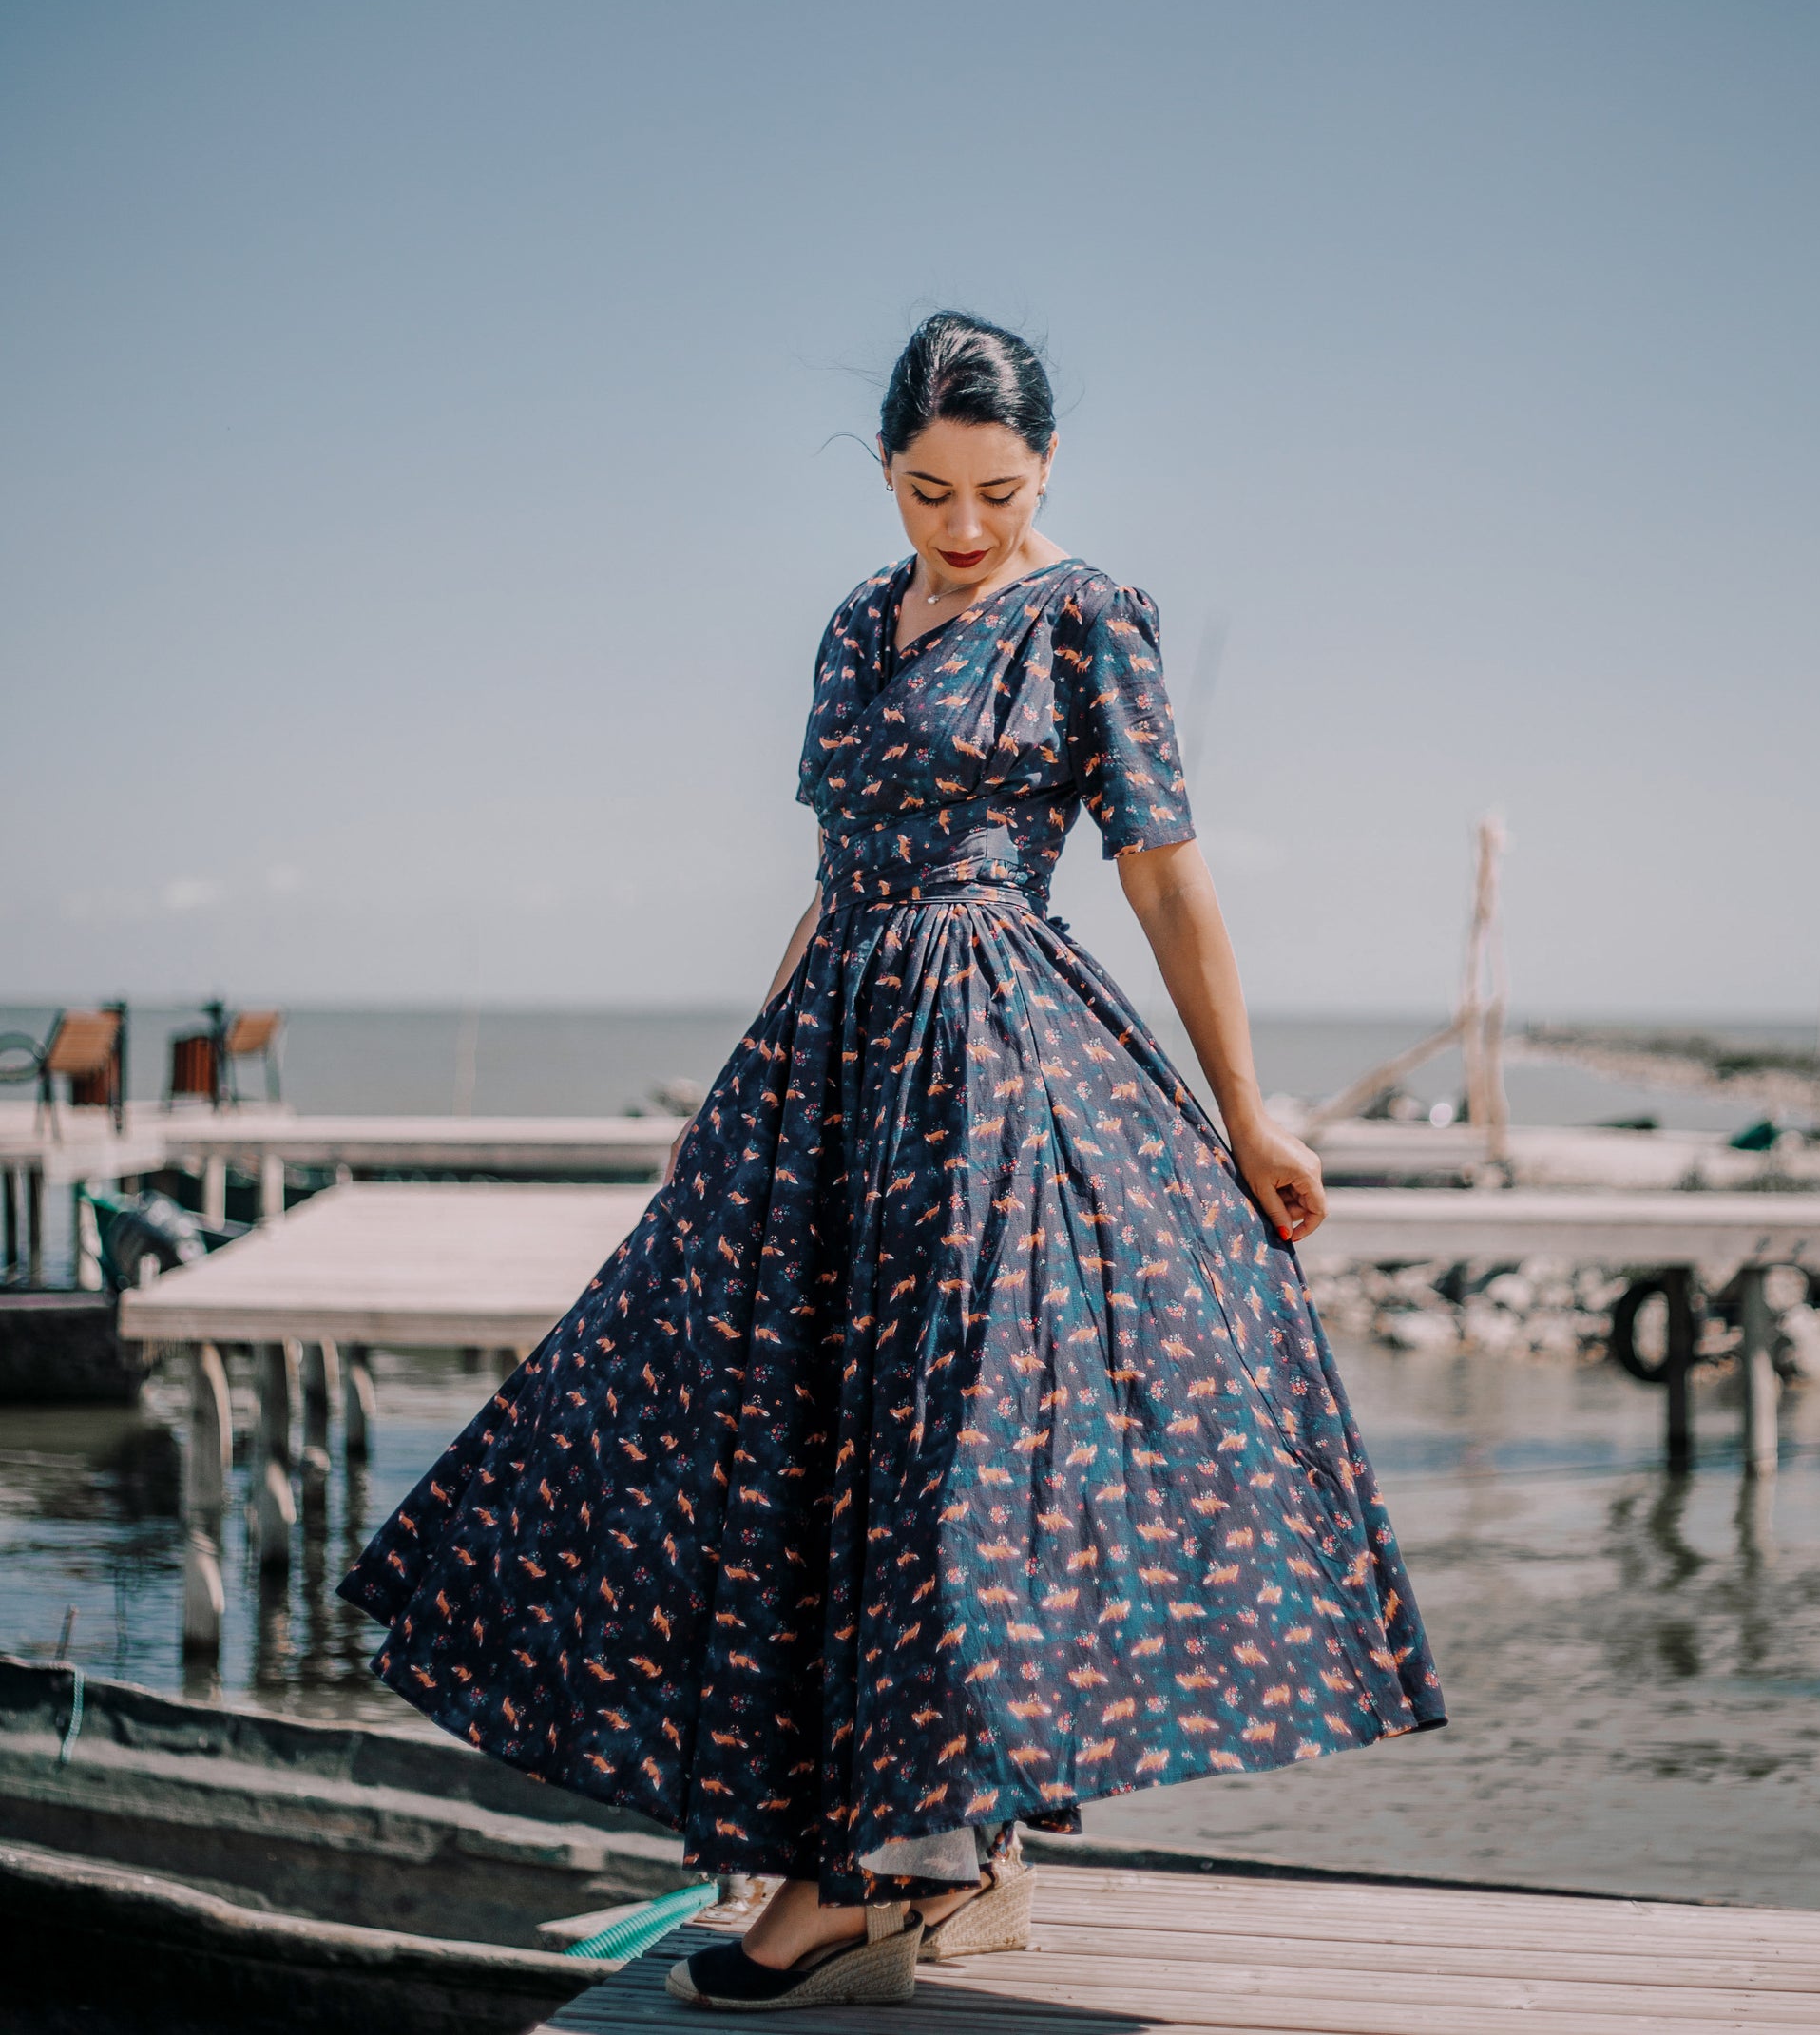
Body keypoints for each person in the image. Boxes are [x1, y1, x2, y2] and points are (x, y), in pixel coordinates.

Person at [338, 311, 1444, 2009]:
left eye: (996, 488)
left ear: (1047, 464)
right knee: (765, 1439)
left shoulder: (1088, 615)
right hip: (833, 1058)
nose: (963, 524)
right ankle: (878, 1858)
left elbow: (1162, 870)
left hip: (998, 1054)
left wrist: (1244, 1105)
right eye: (928, 488)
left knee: (957, 1454)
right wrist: (750, 1068)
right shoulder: (857, 622)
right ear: (883, 471)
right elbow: (837, 867)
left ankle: (880, 1873)